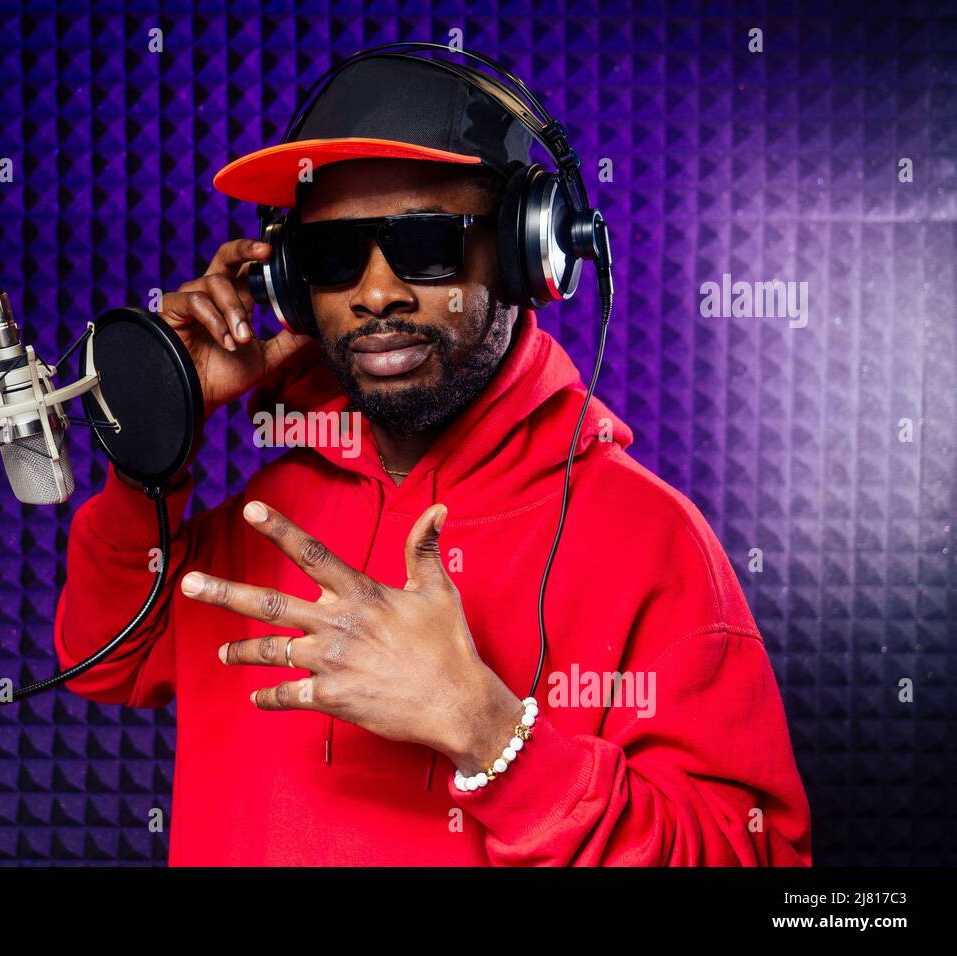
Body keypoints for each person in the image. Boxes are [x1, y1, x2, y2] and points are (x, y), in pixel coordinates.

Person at [54, 53, 813, 865]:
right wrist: (157, 436)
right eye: (335, 256)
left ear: (529, 253)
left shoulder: (648, 537)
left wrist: (488, 733)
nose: (376, 293)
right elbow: (106, 663)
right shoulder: (269, 507)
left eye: (426, 244)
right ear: (287, 283)